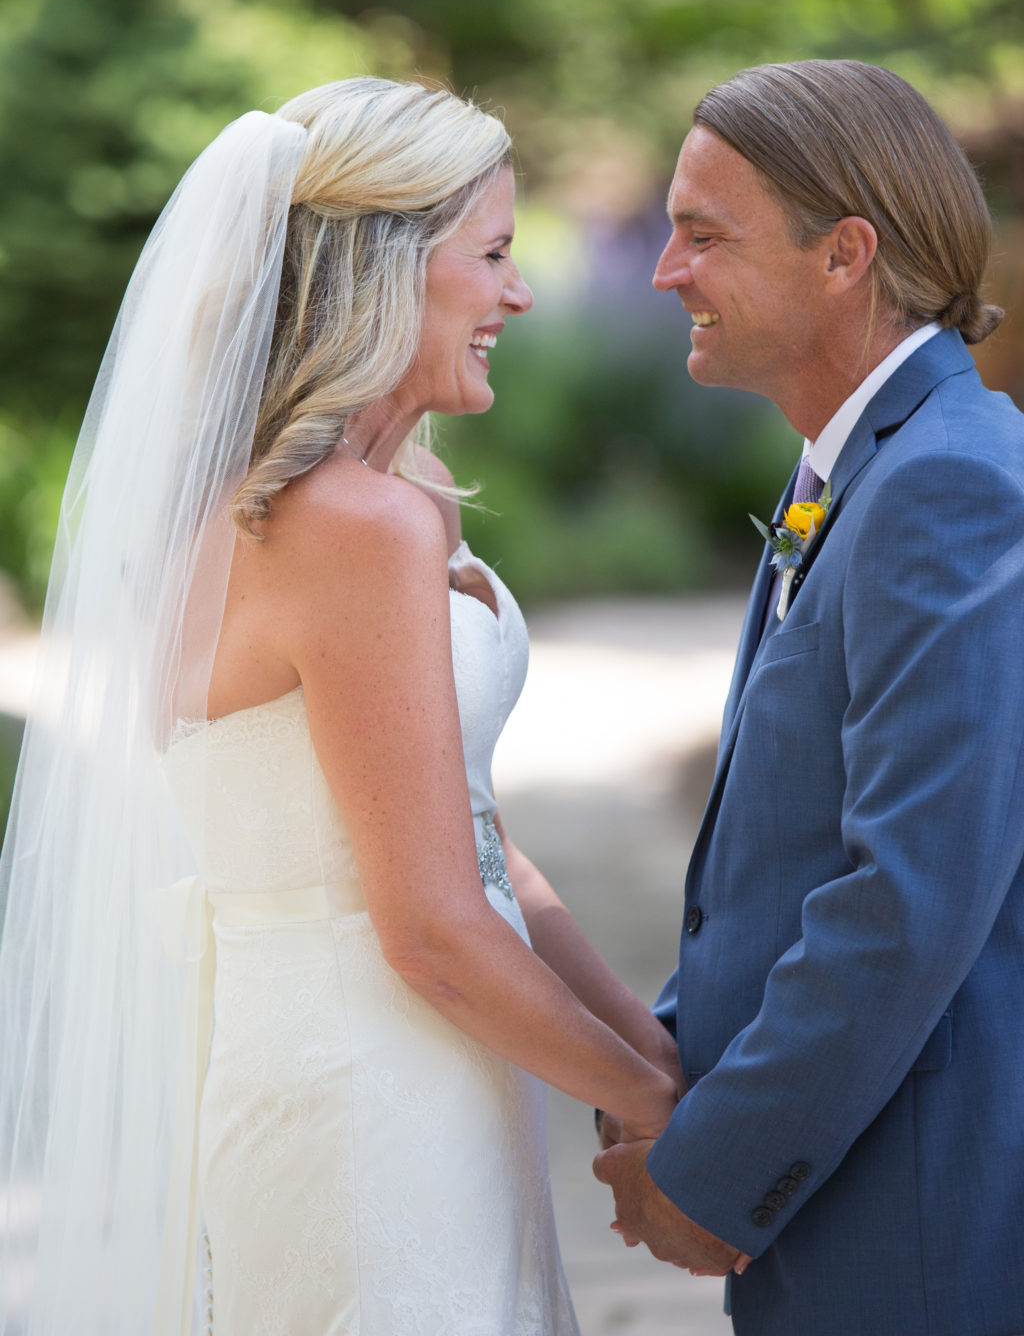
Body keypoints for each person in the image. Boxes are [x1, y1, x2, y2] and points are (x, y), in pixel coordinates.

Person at [0, 77, 683, 1335]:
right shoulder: (347, 525)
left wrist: (649, 1050)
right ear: (381, 272)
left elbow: (473, 837)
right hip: (371, 1094)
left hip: (398, 1069)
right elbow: (428, 924)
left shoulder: (345, 495)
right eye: (490, 255)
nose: (520, 296)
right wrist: (666, 1125)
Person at [594, 58, 1024, 1336]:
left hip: (919, 1221)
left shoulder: (952, 489)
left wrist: (719, 1174)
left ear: (844, 253)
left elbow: (909, 895)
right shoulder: (857, 472)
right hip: (847, 1192)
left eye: (702, 235)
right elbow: (780, 855)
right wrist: (669, 1068)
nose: (666, 272)